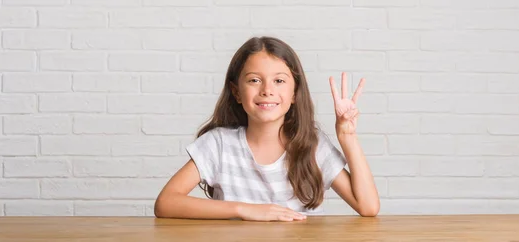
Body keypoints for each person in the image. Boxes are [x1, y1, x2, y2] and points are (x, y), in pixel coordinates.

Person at [154, 36, 379, 222]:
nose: (267, 90)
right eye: (254, 80)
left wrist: (347, 136)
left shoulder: (312, 145)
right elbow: (166, 203)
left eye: (279, 81)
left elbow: (368, 207)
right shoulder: (219, 145)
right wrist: (244, 209)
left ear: (294, 93)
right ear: (236, 92)